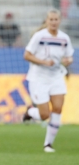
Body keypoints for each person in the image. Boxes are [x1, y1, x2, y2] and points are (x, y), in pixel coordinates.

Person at [22, 9, 74, 153]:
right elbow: (26, 55)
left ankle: (48, 144)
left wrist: (67, 61)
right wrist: (43, 62)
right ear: (46, 21)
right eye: (51, 19)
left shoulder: (64, 38)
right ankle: (30, 112)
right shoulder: (39, 36)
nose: (53, 22)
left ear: (60, 21)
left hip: (56, 77)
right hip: (39, 78)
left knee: (57, 109)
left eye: (56, 19)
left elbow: (69, 57)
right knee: (45, 115)